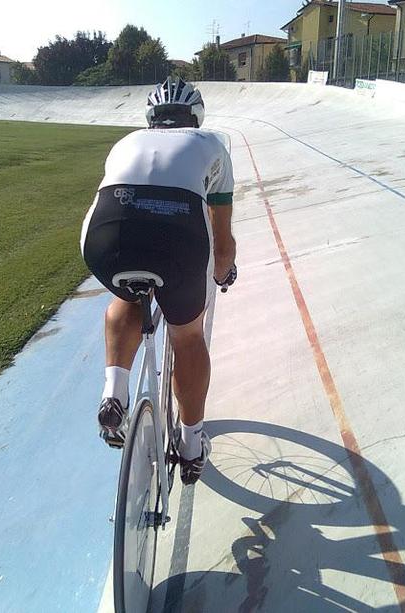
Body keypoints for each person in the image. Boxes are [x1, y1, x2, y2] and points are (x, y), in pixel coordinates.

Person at [80, 77, 236, 485]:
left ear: (150, 120)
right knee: (187, 337)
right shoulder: (212, 144)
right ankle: (190, 444)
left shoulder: (125, 142)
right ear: (196, 117)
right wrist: (223, 273)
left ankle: (114, 391)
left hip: (104, 235)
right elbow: (222, 242)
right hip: (179, 237)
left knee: (127, 299)